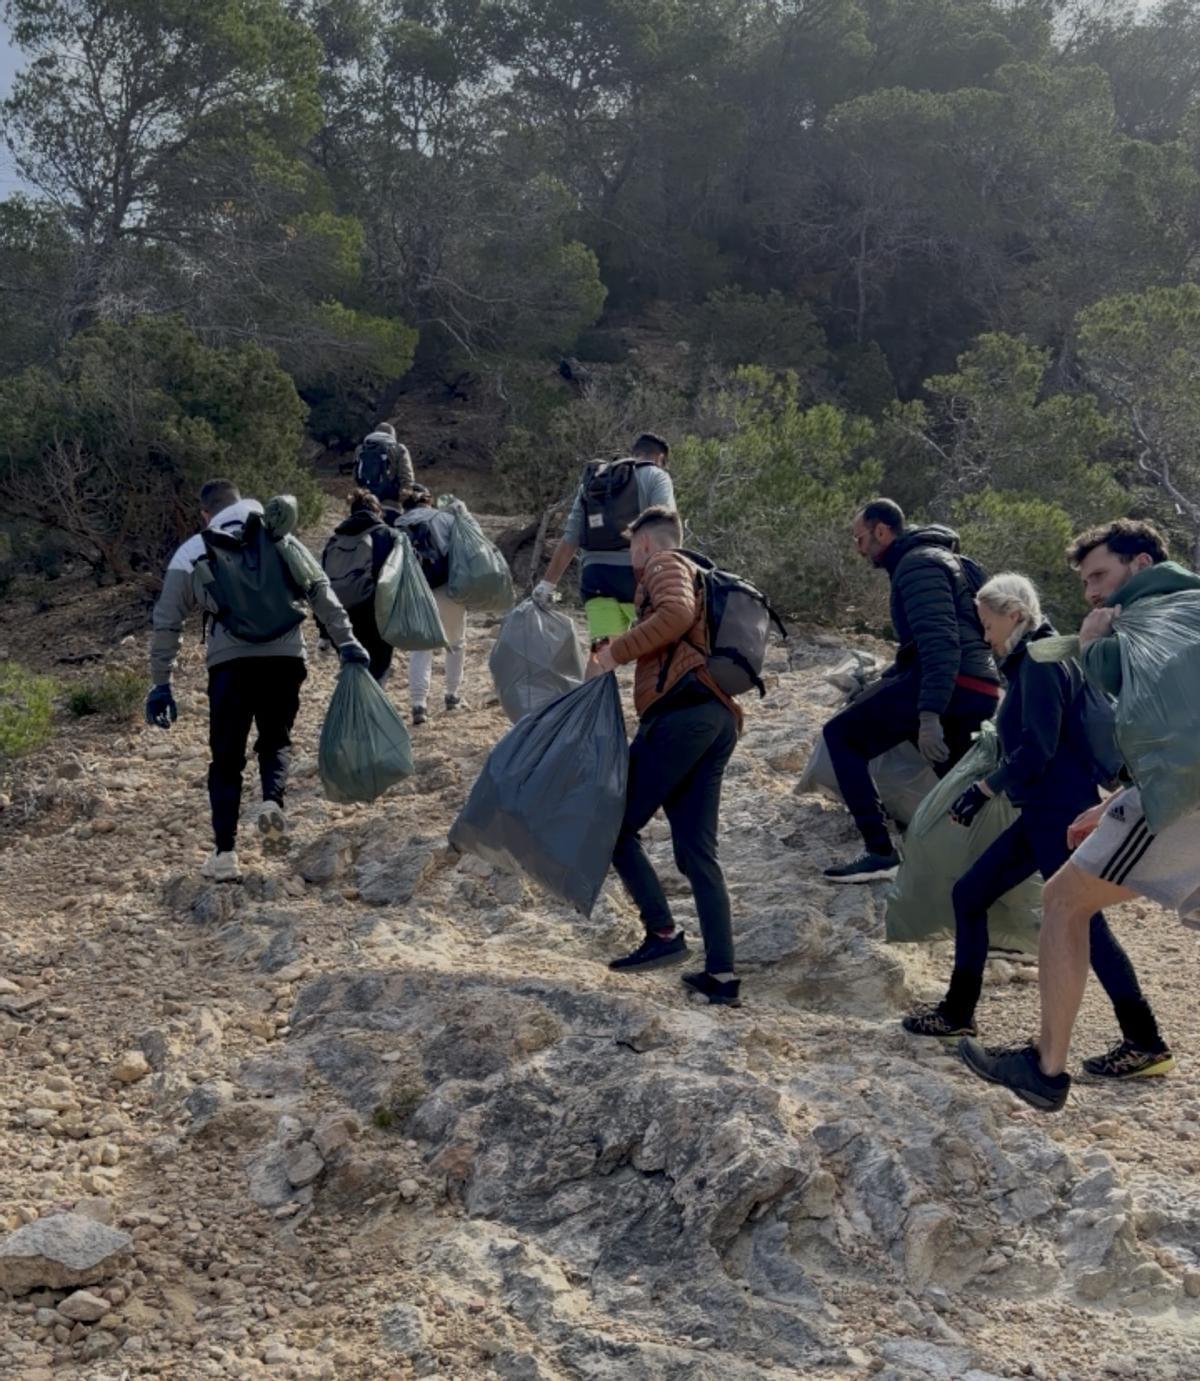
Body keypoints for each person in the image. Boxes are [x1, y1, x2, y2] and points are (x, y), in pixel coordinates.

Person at [961, 520, 1200, 1110]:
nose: (1092, 592)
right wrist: (1117, 799)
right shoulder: (1187, 608)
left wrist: (1094, 645)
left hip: (1178, 797)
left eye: (1101, 575)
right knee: (1070, 903)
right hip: (1160, 791)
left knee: (1066, 903)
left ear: (1141, 565)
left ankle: (1049, 1068)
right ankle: (1130, 1043)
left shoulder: (1146, 623)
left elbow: (1145, 708)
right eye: (1086, 580)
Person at [900, 572, 1170, 1077]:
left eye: (987, 624)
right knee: (970, 895)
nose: (984, 635)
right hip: (1046, 808)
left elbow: (1038, 750)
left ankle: (1145, 1040)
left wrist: (982, 791)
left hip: (1056, 810)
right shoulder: (1041, 657)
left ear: (1015, 614)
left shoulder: (1043, 663)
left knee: (1082, 920)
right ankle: (958, 1013)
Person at [145, 478, 368, 882]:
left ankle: (225, 854)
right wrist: (347, 641)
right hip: (286, 658)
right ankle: (271, 802)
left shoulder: (194, 549)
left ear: (205, 514)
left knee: (226, 760)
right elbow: (319, 589)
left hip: (229, 665)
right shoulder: (279, 535)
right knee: (276, 739)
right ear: (242, 501)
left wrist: (161, 682)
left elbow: (167, 622)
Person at [594, 506, 743, 1005]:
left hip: (681, 716)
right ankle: (722, 976)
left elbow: (675, 615)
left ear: (643, 543)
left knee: (615, 828)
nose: (632, 560)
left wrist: (615, 654)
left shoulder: (664, 563)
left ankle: (661, 935)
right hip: (715, 718)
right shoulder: (699, 572)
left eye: (631, 548)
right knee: (697, 852)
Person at [822, 499, 1001, 883]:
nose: (858, 548)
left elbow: (940, 642)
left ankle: (880, 851)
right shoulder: (945, 559)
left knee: (841, 736)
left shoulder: (917, 565)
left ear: (882, 531)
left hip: (949, 682)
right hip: (979, 685)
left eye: (860, 537)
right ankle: (1000, 875)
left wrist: (929, 713)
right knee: (960, 782)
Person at [533, 432, 675, 650]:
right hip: (636, 578)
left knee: (601, 652)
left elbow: (571, 537)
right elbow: (664, 527)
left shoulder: (596, 481)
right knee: (655, 655)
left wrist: (546, 585)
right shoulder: (656, 476)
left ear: (634, 453)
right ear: (659, 458)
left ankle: (596, 684)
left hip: (596, 577)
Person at [392, 485, 466, 726]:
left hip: (416, 590)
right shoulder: (444, 518)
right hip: (447, 588)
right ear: (429, 501)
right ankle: (452, 696)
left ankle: (418, 705)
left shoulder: (400, 523)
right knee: (455, 644)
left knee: (421, 648)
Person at [320, 490, 398, 683]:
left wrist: (324, 632)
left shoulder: (335, 539)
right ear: (377, 511)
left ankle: (352, 708)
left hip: (341, 614)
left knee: (352, 666)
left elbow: (320, 586)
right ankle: (371, 710)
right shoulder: (387, 535)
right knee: (378, 669)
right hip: (375, 614)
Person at [354, 421, 414, 503]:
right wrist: (406, 495)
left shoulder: (361, 449)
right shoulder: (399, 448)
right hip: (391, 497)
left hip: (367, 498)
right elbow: (406, 475)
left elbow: (356, 475)